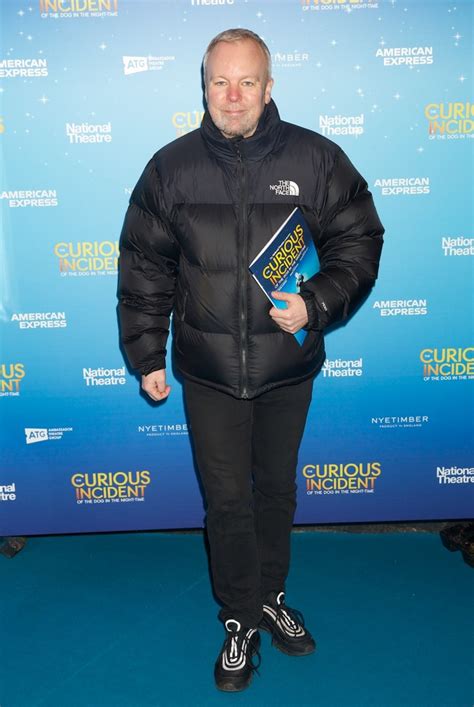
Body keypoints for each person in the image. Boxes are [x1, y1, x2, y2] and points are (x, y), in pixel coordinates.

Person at [118, 28, 384, 692]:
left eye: (247, 82)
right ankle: (239, 618)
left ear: (269, 87)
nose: (232, 96)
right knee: (228, 500)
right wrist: (147, 351)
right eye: (220, 82)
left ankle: (271, 595)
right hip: (209, 373)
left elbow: (360, 241)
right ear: (204, 87)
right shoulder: (170, 169)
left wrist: (315, 304)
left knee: (276, 491)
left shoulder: (318, 159)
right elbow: (144, 266)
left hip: (286, 369)